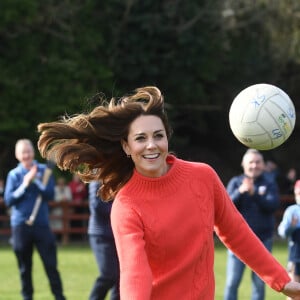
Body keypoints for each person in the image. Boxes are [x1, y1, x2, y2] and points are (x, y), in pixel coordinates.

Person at [36, 86, 300, 299]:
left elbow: (236, 232)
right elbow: (134, 274)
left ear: (167, 138)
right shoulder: (127, 206)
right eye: (140, 138)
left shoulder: (203, 176)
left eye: (158, 135)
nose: (151, 145)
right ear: (126, 147)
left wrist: (281, 281)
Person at [4, 139, 66, 300]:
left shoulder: (44, 171)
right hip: (20, 226)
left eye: (28, 151)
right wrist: (25, 183)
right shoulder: (13, 175)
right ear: (17, 156)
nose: (26, 155)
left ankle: (59, 297)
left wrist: (36, 181)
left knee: (51, 265)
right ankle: (27, 297)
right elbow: (9, 200)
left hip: (41, 225)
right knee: (24, 268)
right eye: (22, 152)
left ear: (33, 152)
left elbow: (50, 195)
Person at [223, 148, 280, 300]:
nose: (254, 166)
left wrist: (254, 193)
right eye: (251, 162)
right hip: (237, 243)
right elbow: (225, 207)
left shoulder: (269, 183)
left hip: (263, 241)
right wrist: (241, 191)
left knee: (260, 284)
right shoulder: (235, 182)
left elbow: (273, 205)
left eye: (258, 162)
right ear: (243, 164)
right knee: (231, 282)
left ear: (263, 164)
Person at [88, 180, 120, 300]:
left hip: (116, 235)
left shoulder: (118, 178)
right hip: (100, 235)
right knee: (109, 275)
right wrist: (121, 207)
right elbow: (97, 206)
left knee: (119, 278)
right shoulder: (96, 180)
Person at [278, 180, 300, 298]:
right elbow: (282, 232)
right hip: (295, 258)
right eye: (299, 193)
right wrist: (291, 227)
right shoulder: (292, 210)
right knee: (293, 292)